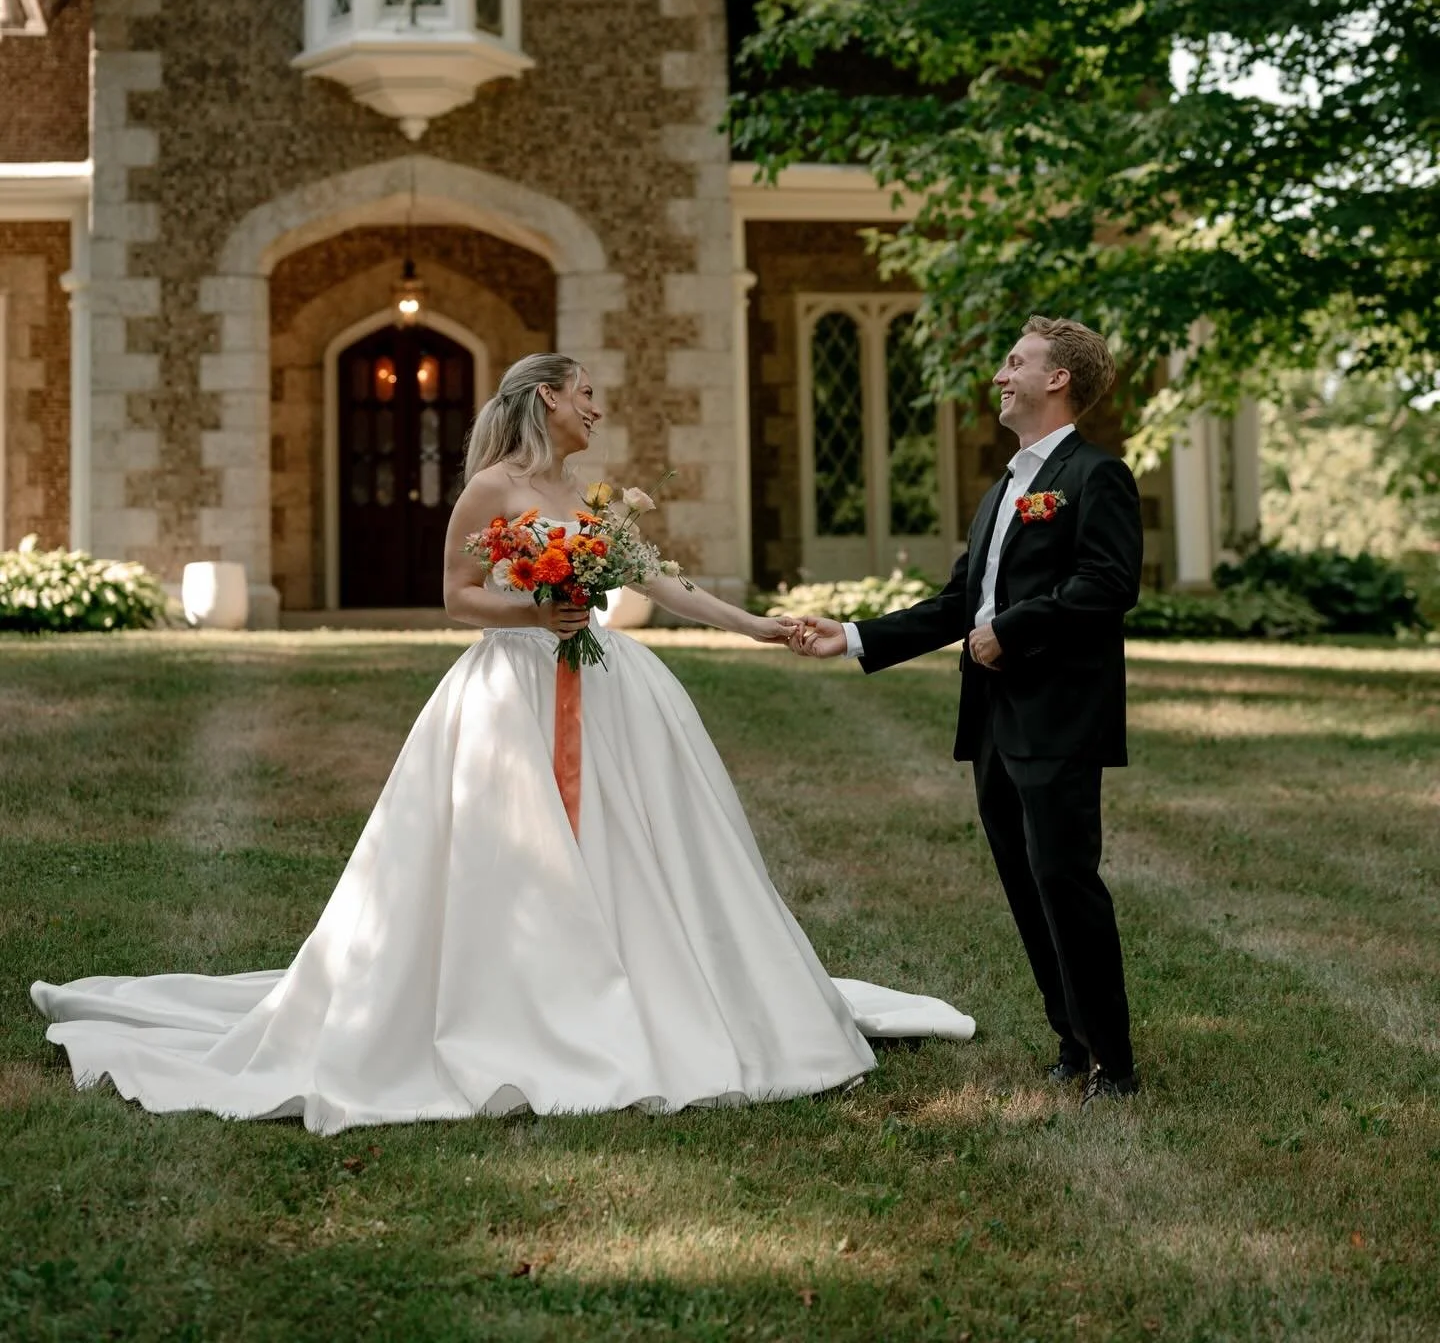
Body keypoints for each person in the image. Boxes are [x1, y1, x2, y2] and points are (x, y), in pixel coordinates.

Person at [32, 353, 973, 1133]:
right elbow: (456, 597)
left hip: (603, 686)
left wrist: (759, 626)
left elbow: (668, 584)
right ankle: (519, 999)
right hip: (510, 687)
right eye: (590, 395)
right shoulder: (492, 487)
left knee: (635, 843)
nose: (601, 410)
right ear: (549, 398)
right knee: (507, 855)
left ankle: (637, 982)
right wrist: (541, 604)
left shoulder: (593, 499)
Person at [792, 317, 1143, 1108]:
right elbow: (959, 602)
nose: (999, 375)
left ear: (1058, 381)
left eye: (1015, 362)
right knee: (1024, 883)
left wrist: (1010, 632)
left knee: (1065, 880)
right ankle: (1071, 1041)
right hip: (990, 719)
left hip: (1057, 715)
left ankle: (1114, 1065)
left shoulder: (1097, 476)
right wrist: (849, 636)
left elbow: (1109, 584)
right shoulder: (1002, 490)